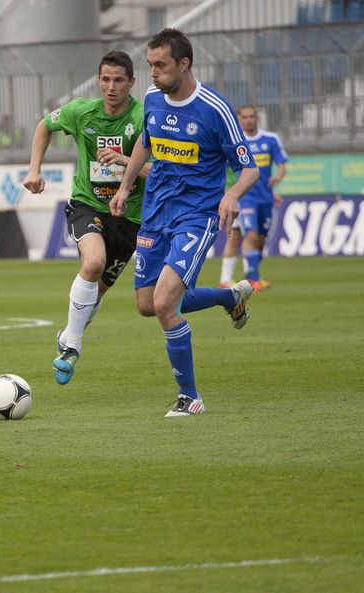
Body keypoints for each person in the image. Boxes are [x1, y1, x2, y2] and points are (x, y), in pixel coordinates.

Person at [109, 28, 259, 417]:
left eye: (160, 65)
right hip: (157, 212)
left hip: (197, 216)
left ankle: (189, 395)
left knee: (164, 303)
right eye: (150, 65)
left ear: (184, 64)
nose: (153, 73)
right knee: (146, 304)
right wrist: (126, 186)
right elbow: (147, 140)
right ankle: (230, 297)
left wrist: (231, 194)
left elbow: (249, 169)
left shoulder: (214, 109)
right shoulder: (153, 98)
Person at [23, 50, 151, 385]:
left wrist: (126, 162)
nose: (111, 87)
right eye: (105, 79)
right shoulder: (82, 111)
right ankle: (73, 347)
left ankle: (69, 334)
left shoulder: (143, 118)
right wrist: (34, 169)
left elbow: (162, 170)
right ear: (99, 80)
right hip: (87, 205)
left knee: (97, 295)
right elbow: (44, 125)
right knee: (92, 263)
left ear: (132, 83)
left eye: (119, 80)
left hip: (129, 218)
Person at [218, 105, 288, 291]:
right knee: (247, 235)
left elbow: (280, 167)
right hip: (242, 197)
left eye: (252, 116)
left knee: (259, 240)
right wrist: (228, 193)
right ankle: (247, 280)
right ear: (239, 119)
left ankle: (249, 276)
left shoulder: (270, 139)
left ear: (257, 118)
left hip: (264, 198)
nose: (249, 120)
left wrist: (275, 183)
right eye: (245, 117)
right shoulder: (233, 141)